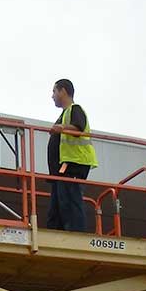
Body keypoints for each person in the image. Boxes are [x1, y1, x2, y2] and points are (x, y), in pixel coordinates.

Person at [46, 79, 97, 232]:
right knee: (59, 203)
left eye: (54, 91)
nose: (52, 96)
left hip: (74, 163)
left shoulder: (75, 109)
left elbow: (78, 128)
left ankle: (76, 234)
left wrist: (60, 128)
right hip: (63, 168)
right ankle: (57, 233)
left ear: (63, 91)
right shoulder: (65, 114)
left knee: (71, 200)